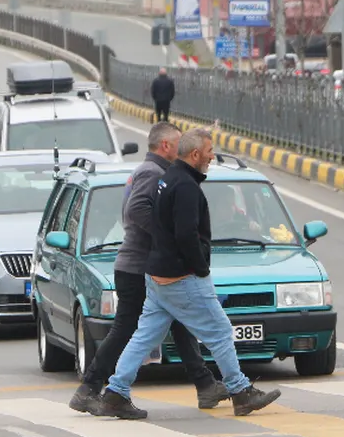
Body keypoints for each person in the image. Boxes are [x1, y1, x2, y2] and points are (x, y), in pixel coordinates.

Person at [94, 127, 281, 420]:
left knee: (144, 336)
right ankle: (241, 392)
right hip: (181, 277)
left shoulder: (168, 179)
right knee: (219, 331)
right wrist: (201, 267)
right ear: (195, 154)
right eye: (209, 151)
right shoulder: (185, 187)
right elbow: (185, 234)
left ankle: (116, 393)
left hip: (157, 275)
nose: (211, 156)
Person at [69, 121, 226, 414]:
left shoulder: (154, 172)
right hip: (138, 266)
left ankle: (205, 386)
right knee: (126, 330)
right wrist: (166, 236)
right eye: (178, 144)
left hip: (147, 265)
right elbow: (136, 210)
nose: (181, 150)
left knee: (180, 324)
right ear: (165, 146)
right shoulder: (153, 173)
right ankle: (89, 388)